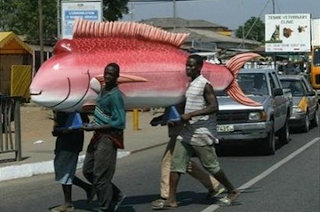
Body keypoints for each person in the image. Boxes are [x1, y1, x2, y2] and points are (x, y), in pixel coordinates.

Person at [152, 54, 240, 210]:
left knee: (211, 166)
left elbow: (214, 107)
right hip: (187, 132)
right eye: (187, 65)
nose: (188, 68)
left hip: (202, 133)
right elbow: (185, 107)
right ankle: (171, 199)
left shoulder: (205, 85)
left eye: (192, 66)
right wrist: (167, 118)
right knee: (176, 164)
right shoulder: (190, 85)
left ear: (199, 67)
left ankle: (232, 190)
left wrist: (191, 115)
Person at [150, 106, 224, 207]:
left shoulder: (182, 95)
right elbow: (173, 111)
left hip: (183, 131)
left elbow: (182, 112)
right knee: (182, 162)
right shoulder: (178, 95)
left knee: (169, 161)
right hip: (181, 131)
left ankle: (167, 196)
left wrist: (166, 119)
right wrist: (162, 119)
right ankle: (213, 184)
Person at [82, 63, 126, 212]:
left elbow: (119, 122)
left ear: (117, 77)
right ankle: (116, 194)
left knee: (101, 175)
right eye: (106, 73)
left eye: (111, 74)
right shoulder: (103, 90)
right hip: (97, 135)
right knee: (88, 170)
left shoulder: (115, 96)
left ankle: (105, 207)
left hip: (108, 137)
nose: (107, 76)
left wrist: (97, 127)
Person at [51, 111, 95, 212]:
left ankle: (68, 203)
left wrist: (69, 130)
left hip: (71, 143)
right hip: (63, 143)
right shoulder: (59, 109)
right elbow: (56, 128)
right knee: (63, 171)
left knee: (64, 172)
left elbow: (84, 123)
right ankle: (88, 188)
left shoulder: (72, 107)